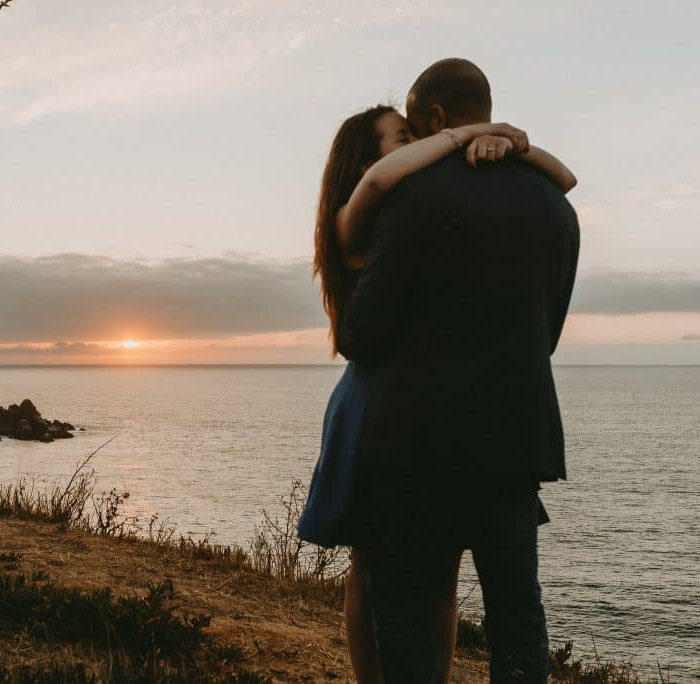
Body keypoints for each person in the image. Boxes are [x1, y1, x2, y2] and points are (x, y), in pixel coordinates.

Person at [299, 74, 577, 682]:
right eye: (399, 138)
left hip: (417, 416)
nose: (416, 142)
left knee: (425, 579)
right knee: (373, 569)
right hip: (385, 401)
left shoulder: (420, 199)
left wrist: (502, 140)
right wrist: (476, 133)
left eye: (411, 130)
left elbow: (564, 177)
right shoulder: (366, 209)